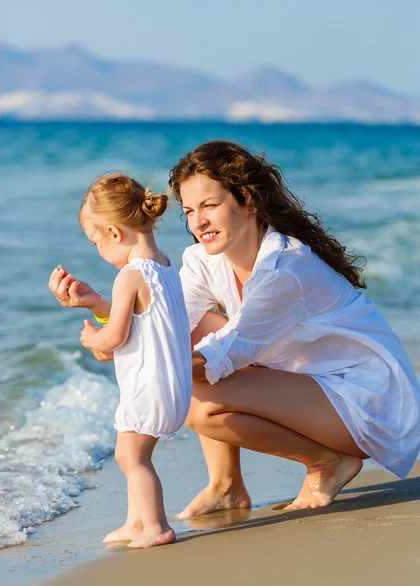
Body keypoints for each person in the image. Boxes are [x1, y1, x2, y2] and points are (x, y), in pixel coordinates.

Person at [49, 141, 420, 521]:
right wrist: (100, 309)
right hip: (304, 382)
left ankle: (327, 462)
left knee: (194, 396)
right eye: (190, 211)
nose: (198, 223)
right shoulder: (201, 260)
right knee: (185, 340)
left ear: (249, 202)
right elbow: (162, 324)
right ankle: (225, 485)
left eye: (210, 206)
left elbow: (227, 353)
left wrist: (125, 352)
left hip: (364, 398)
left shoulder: (284, 268)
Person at [73, 173, 191, 548]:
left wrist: (94, 336)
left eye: (95, 241)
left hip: (148, 386)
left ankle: (155, 526)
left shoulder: (130, 276)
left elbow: (115, 337)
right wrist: (95, 302)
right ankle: (135, 522)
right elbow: (141, 320)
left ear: (113, 231)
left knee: (131, 457)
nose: (97, 249)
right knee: (133, 455)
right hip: (171, 385)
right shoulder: (166, 267)